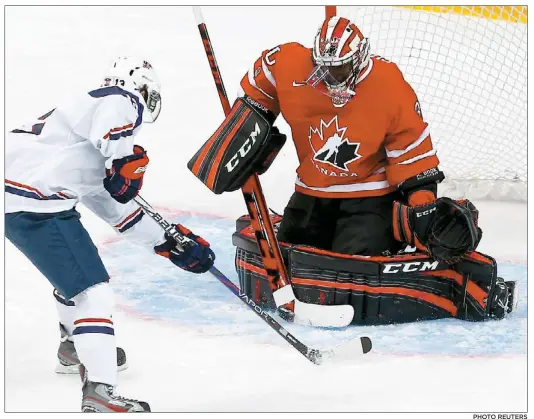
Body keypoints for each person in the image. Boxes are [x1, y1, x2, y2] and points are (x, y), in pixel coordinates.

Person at [189, 16, 514, 325]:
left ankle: (399, 223)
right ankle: (391, 226)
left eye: (340, 68)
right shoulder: (289, 63)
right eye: (324, 69)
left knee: (351, 266)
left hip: (369, 198)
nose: (330, 78)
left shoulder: (388, 84)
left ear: (359, 60)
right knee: (292, 251)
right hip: (310, 194)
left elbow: (410, 148)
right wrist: (247, 125)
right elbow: (260, 87)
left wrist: (422, 206)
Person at [5, 57, 215, 412]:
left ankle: (74, 348)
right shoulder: (117, 99)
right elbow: (118, 120)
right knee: (93, 293)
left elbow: (115, 206)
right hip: (34, 203)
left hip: (25, 197)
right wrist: (124, 158)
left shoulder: (77, 143)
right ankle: (100, 392)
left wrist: (167, 243)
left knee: (74, 276)